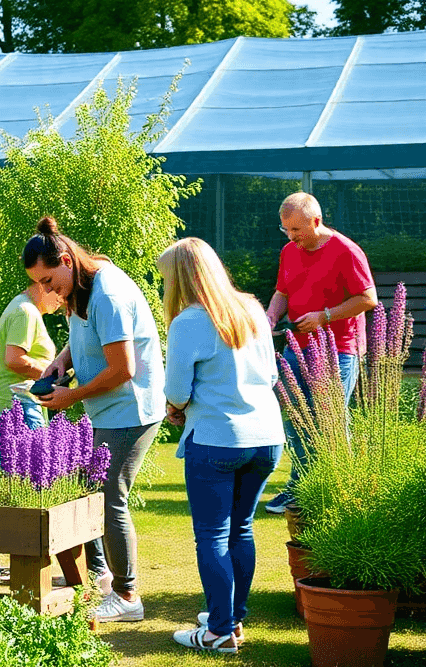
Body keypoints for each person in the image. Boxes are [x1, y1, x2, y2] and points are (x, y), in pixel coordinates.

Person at [25, 216, 164, 623]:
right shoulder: (81, 287)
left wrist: (71, 395)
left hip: (130, 410)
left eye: (49, 280)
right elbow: (84, 336)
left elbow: (124, 370)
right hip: (107, 409)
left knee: (108, 498)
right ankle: (104, 582)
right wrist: (63, 360)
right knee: (93, 494)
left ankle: (127, 595)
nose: (48, 292)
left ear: (66, 259)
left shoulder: (108, 294)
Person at [158, 238, 285, 653]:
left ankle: (218, 631)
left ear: (178, 278)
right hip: (266, 437)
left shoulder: (189, 321)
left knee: (212, 535)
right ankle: (231, 619)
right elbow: (270, 377)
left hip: (216, 439)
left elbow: (176, 390)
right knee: (241, 529)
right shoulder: (251, 308)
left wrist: (179, 408)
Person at [263, 192, 375, 515]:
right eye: (286, 230)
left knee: (330, 421)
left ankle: (342, 492)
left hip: (339, 349)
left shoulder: (346, 251)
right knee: (297, 419)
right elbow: (282, 292)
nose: (291, 237)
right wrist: (270, 317)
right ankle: (299, 489)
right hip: (299, 347)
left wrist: (325, 316)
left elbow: (368, 298)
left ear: (316, 221)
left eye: (296, 230)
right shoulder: (289, 252)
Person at [0, 280, 63, 445]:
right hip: (16, 407)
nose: (63, 298)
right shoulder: (25, 312)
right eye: (59, 288)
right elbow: (15, 360)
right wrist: (55, 376)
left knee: (19, 468)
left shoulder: (25, 308)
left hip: (18, 403)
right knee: (28, 468)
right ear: (43, 283)